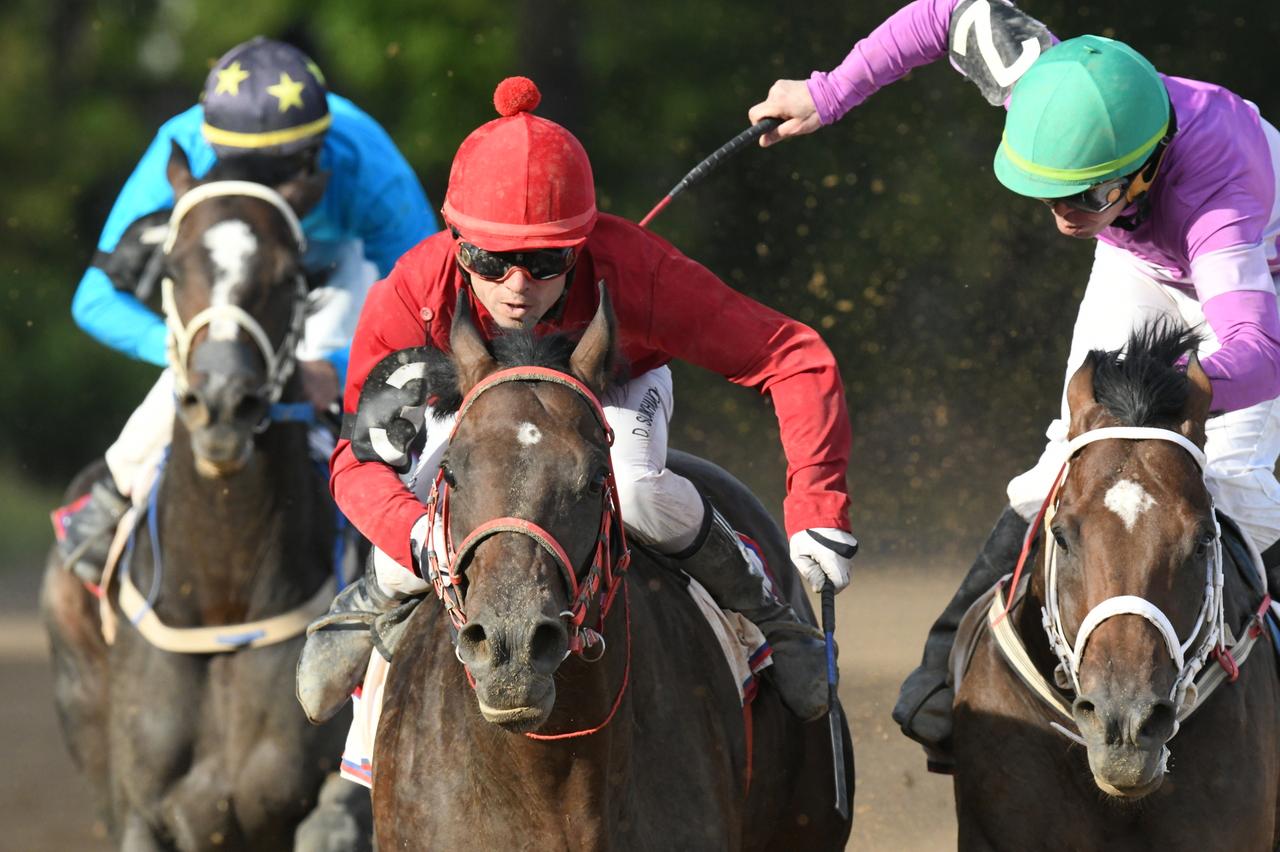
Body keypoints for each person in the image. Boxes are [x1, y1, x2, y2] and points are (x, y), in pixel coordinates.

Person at [750, 0, 1280, 769]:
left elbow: (1257, 350)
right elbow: (944, 14)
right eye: (1050, 193)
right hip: (1144, 258)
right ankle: (944, 679)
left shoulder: (1218, 196)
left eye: (1086, 197)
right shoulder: (1050, 82)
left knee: (1233, 486)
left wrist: (1186, 394)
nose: (1064, 217)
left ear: (1150, 164)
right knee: (1072, 451)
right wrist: (826, 93)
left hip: (1252, 293)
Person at [295, 76, 860, 726]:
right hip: (476, 397)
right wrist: (415, 540)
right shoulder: (410, 296)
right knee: (426, 520)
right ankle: (372, 597)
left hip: (610, 381)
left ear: (583, 241)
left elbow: (791, 355)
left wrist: (818, 501)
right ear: (455, 238)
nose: (515, 287)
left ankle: (769, 616)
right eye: (488, 258)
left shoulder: (638, 271)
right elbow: (359, 460)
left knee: (639, 490)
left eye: (546, 261)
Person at [55, 37, 436, 583]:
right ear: (209, 148)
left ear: (317, 152)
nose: (260, 187)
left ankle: (402, 530)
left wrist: (338, 365)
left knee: (380, 384)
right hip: (236, 298)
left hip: (338, 281)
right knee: (210, 357)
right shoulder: (181, 142)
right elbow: (95, 300)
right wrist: (189, 351)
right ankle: (115, 494)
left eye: (277, 170)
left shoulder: (365, 162)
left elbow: (428, 306)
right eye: (238, 165)